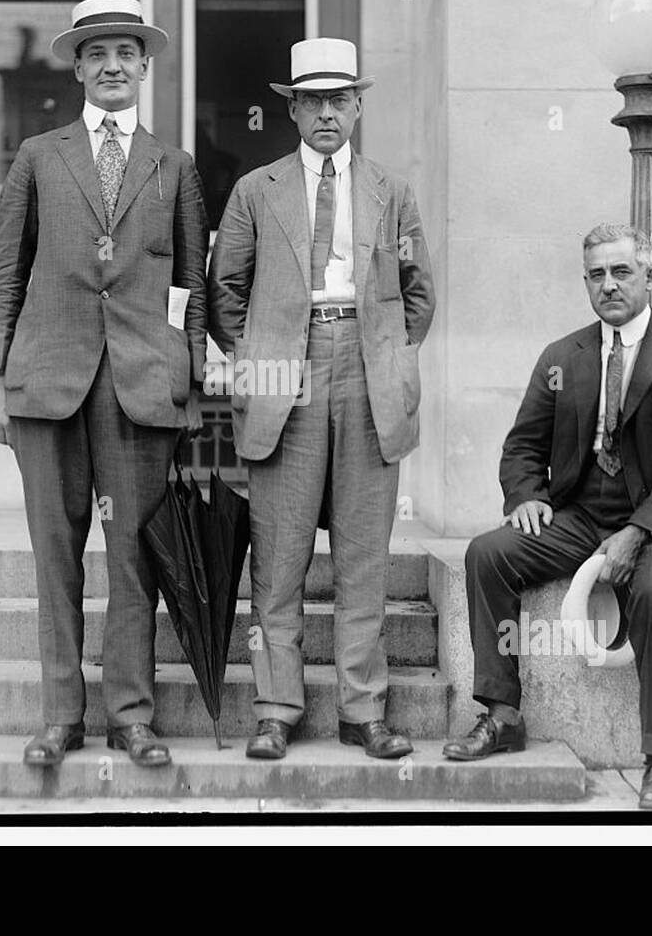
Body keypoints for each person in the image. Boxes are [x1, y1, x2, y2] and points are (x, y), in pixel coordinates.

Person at [0, 0, 207, 768]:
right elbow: (7, 272)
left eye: (127, 53)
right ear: (78, 65)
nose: (113, 66)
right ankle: (59, 716)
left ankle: (132, 717)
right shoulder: (39, 156)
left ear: (146, 66)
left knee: (134, 561)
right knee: (55, 556)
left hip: (141, 389)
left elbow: (192, 285)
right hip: (46, 384)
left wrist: (191, 378)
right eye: (98, 53)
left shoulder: (173, 165)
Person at [444, 223, 652, 810]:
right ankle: (501, 715)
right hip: (580, 517)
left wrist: (636, 532)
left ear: (650, 276)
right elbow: (522, 446)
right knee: (488, 553)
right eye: (596, 274)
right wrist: (525, 496)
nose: (609, 285)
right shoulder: (562, 357)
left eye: (622, 271)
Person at [208, 38, 435, 761]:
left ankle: (363, 712)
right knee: (279, 556)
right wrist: (258, 356)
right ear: (294, 109)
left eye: (341, 99)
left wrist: (389, 354)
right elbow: (224, 292)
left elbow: (420, 294)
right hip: (285, 373)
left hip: (367, 372)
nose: (328, 112)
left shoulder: (390, 190)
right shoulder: (257, 189)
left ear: (359, 106)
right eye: (314, 100)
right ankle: (275, 709)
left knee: (364, 556)